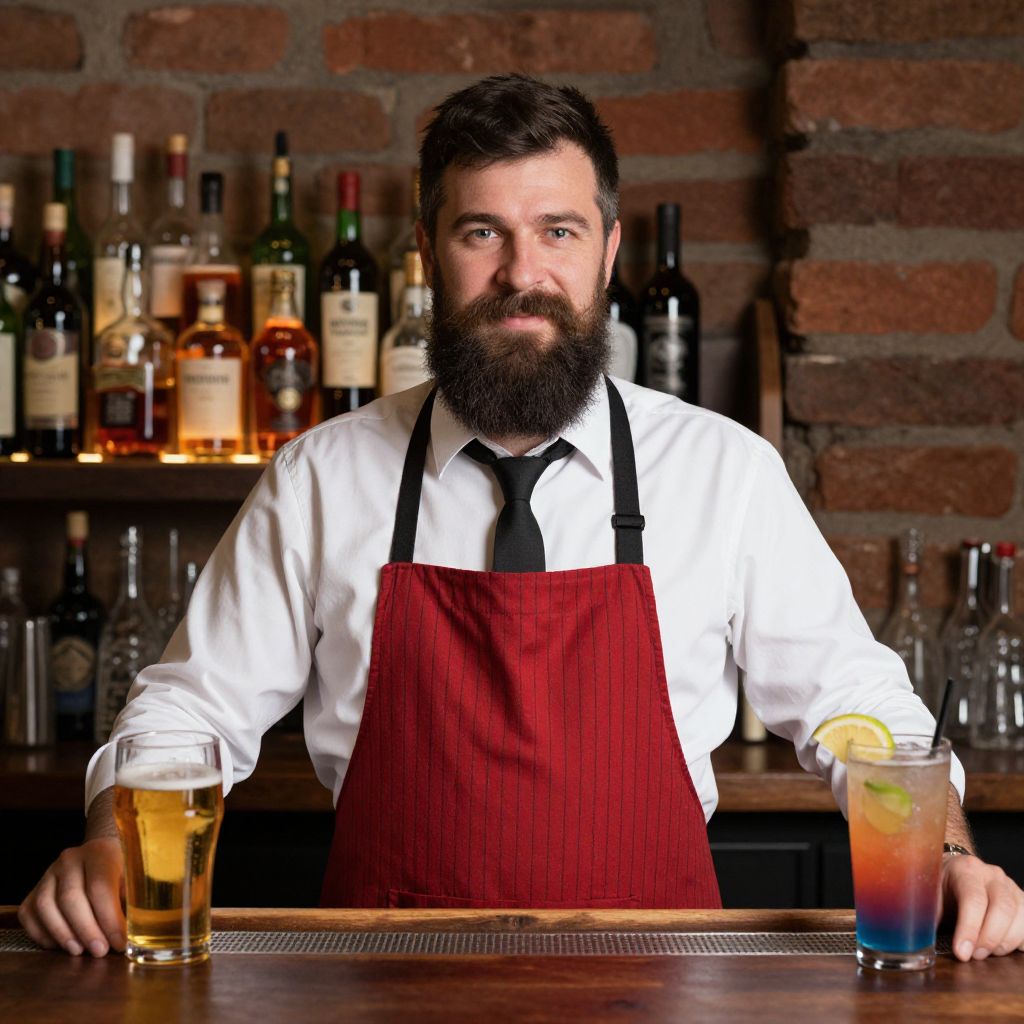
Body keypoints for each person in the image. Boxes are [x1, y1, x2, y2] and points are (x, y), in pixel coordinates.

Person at [20, 75, 1023, 958]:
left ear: (609, 250)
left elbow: (861, 712)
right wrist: (112, 842)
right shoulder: (318, 479)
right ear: (426, 251)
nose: (520, 275)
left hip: (661, 984)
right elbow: (190, 712)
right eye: (480, 232)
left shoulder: (723, 474)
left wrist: (943, 853)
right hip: (380, 988)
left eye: (558, 230)